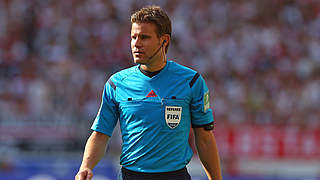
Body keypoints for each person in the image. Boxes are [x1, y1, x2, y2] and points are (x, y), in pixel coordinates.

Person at [75, 5, 222, 180]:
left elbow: (204, 137)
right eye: (133, 37)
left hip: (174, 176)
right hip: (130, 175)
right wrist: (86, 166)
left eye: (144, 37)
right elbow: (100, 134)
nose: (136, 43)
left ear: (164, 40)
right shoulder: (117, 83)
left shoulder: (191, 81)